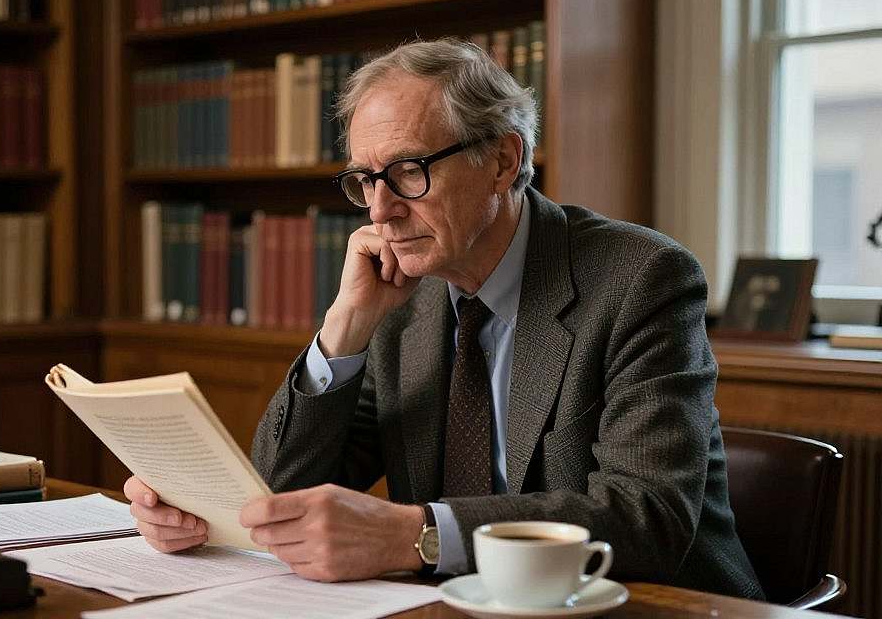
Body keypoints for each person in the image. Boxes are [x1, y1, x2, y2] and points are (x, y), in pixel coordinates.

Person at [124, 38, 764, 600]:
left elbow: (646, 518)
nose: (380, 211)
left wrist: (418, 535)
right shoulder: (404, 299)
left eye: (407, 173)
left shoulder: (638, 278)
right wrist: (342, 330)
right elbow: (281, 488)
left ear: (503, 162)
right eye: (365, 180)